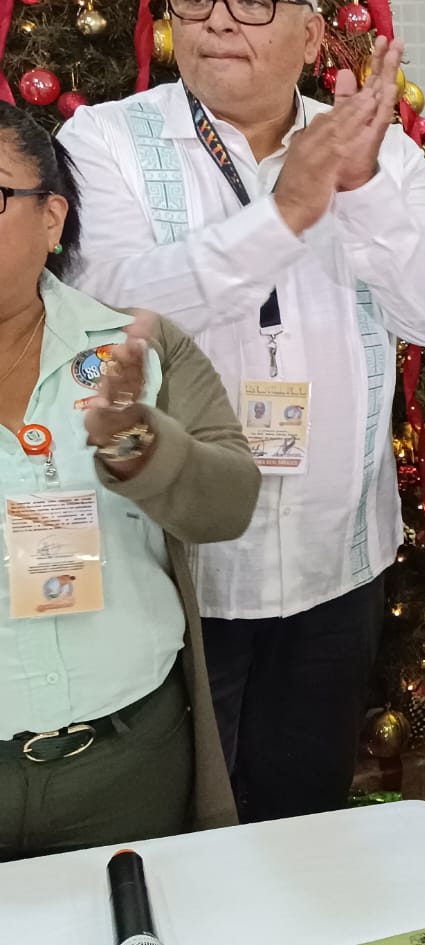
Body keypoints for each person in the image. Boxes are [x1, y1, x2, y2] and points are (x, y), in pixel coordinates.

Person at [60, 0, 425, 823]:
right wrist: (282, 216)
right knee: (186, 824)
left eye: (252, 1)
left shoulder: (375, 147)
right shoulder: (106, 140)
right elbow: (115, 307)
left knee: (303, 814)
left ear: (313, 32)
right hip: (179, 567)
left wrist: (361, 194)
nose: (218, 20)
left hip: (336, 559)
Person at [0, 106, 260, 859]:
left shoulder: (135, 349)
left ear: (52, 218)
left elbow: (230, 503)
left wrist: (138, 444)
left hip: (126, 763)